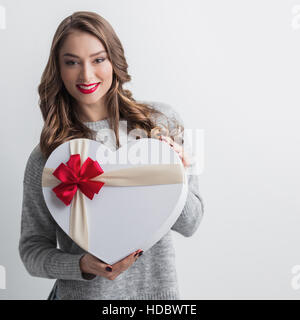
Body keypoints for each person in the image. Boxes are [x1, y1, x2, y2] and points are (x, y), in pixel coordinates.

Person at [18, 11, 204, 300]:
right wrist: (81, 265)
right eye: (71, 62)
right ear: (58, 69)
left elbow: (191, 223)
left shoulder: (161, 122)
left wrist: (172, 175)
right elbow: (31, 250)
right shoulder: (47, 157)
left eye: (98, 59)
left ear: (114, 60)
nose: (86, 75)